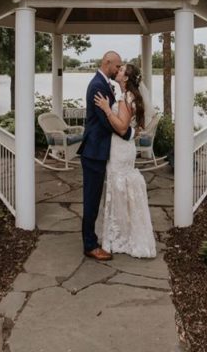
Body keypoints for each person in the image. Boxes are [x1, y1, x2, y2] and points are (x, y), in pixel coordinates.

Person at [93, 62, 156, 258]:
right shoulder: (129, 96)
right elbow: (130, 127)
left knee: (118, 187)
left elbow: (121, 128)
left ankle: (119, 237)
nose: (118, 71)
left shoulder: (125, 97)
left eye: (121, 70)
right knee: (122, 188)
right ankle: (125, 233)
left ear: (126, 78)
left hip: (120, 149)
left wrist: (106, 108)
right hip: (125, 148)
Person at [77, 51, 133, 261]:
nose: (118, 70)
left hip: (101, 150)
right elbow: (105, 122)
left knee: (95, 197)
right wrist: (128, 132)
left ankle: (93, 237)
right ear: (107, 63)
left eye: (120, 68)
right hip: (94, 151)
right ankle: (90, 245)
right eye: (117, 67)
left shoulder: (105, 83)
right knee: (91, 198)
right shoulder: (97, 86)